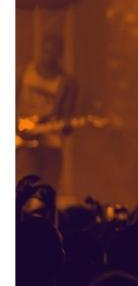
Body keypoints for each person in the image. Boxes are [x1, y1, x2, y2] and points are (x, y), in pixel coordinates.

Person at [16, 33, 78, 189]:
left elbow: (66, 117)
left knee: (47, 191)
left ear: (60, 54)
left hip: (51, 144)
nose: (48, 56)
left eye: (53, 52)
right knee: (24, 188)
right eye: (46, 51)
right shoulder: (24, 73)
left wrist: (67, 125)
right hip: (23, 142)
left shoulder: (67, 82)